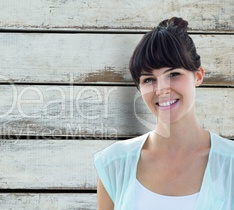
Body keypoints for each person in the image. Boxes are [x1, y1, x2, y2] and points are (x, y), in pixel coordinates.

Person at [93, 17, 234, 210]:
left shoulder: (230, 163)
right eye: (149, 79)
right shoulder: (114, 164)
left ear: (198, 76)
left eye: (174, 74)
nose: (161, 89)